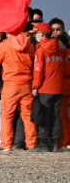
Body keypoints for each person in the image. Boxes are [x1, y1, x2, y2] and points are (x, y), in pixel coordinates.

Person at [0, 32, 36, 151]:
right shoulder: (29, 45)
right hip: (27, 84)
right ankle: (32, 144)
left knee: (7, 116)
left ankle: (6, 144)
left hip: (11, 84)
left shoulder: (4, 45)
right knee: (28, 116)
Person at [31, 23, 65, 152]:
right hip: (58, 87)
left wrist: (35, 86)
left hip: (45, 88)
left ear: (42, 34)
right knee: (56, 115)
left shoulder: (41, 50)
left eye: (37, 32)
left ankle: (44, 143)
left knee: (44, 115)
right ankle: (55, 143)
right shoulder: (60, 49)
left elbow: (38, 70)